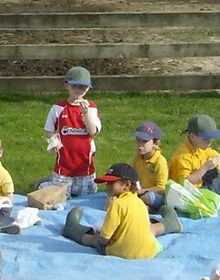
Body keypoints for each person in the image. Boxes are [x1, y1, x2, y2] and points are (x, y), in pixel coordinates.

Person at [61, 163, 180, 258]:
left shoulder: (116, 205)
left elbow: (105, 239)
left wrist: (99, 235)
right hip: (148, 252)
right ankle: (170, 224)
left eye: (111, 183)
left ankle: (72, 229)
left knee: (96, 238)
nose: (107, 186)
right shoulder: (140, 203)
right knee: (144, 229)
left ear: (127, 185)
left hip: (120, 253)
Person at [42, 66, 102, 196]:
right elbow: (49, 129)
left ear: (88, 89)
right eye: (74, 86)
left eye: (82, 87)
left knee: (86, 198)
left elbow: (92, 131)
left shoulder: (91, 108)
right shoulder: (58, 107)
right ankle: (45, 183)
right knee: (58, 197)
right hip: (63, 166)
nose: (78, 90)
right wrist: (53, 141)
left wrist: (85, 113)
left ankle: (48, 183)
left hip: (85, 167)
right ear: (66, 86)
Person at [131, 122, 169, 211]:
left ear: (156, 144)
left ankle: (149, 209)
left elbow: (161, 188)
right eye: (138, 140)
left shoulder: (160, 161)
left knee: (147, 197)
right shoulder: (138, 158)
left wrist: (143, 191)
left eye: (144, 141)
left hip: (155, 195)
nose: (140, 145)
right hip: (139, 191)